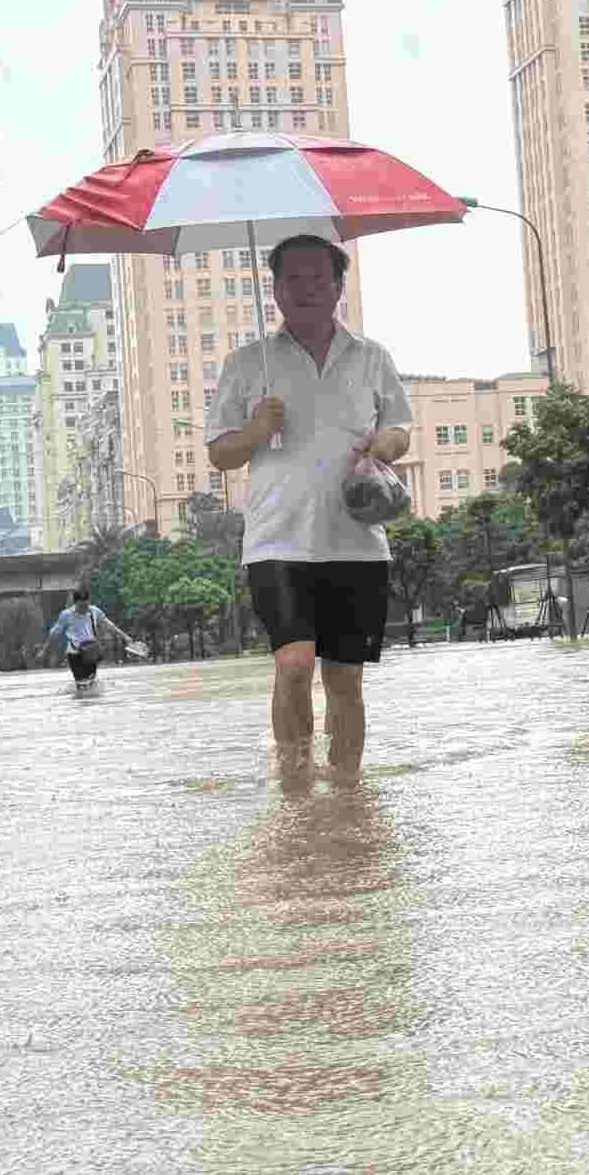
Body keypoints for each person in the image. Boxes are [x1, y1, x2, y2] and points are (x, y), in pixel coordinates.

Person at [206, 233, 412, 778]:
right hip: (277, 540)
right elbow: (219, 454)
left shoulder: (372, 358)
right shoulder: (247, 364)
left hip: (356, 541)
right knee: (294, 664)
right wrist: (255, 429)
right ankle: (296, 791)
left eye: (317, 278)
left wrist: (383, 445)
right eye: (292, 279)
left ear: (338, 286)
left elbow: (400, 430)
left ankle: (347, 793)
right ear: (273, 289)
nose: (305, 289)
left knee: (345, 680)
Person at [38, 588, 135, 684]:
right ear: (75, 603)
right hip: (74, 653)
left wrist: (125, 637)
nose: (84, 609)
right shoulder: (66, 615)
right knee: (81, 683)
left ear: (89, 601)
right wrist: (44, 650)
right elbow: (54, 634)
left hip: (91, 652)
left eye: (86, 605)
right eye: (81, 606)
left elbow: (109, 625)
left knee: (91, 682)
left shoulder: (94, 611)